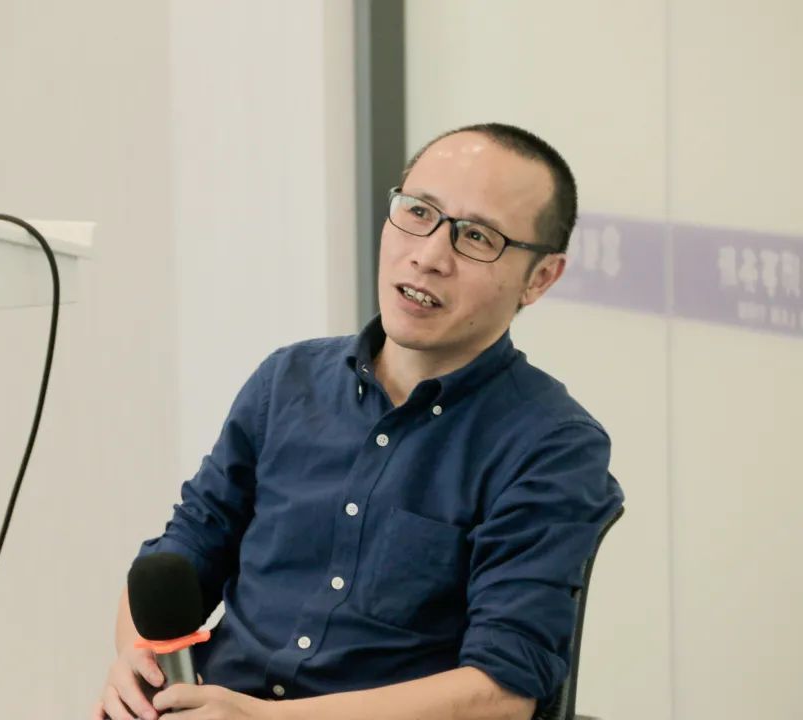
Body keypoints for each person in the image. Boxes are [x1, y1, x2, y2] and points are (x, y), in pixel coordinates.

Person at [93, 123, 624, 720]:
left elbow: (502, 692)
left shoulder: (551, 443)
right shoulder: (287, 380)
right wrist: (136, 661)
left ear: (541, 277)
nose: (429, 256)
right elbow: (184, 549)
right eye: (419, 212)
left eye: (477, 237)